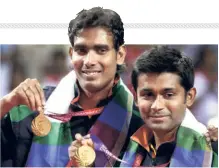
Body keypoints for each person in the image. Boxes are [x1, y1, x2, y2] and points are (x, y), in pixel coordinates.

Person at [0, 7, 144, 167]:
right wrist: (6, 104)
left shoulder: (139, 126)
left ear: (120, 55)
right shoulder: (35, 106)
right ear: (71, 54)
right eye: (81, 50)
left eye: (101, 50)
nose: (89, 61)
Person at [120, 46, 218, 167]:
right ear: (136, 98)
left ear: (189, 97)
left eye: (169, 95)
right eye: (148, 94)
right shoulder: (128, 145)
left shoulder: (211, 150)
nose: (157, 106)